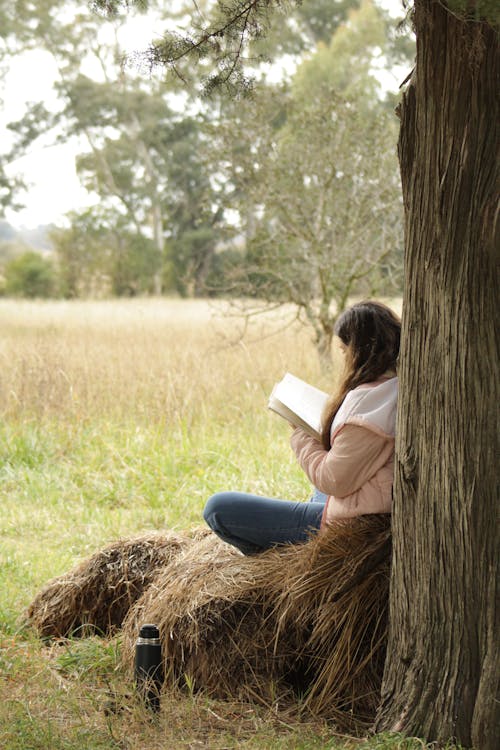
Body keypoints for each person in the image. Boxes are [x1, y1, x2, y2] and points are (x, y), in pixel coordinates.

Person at [203, 300, 400, 555]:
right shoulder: (389, 388)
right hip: (363, 500)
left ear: (360, 350)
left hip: (352, 521)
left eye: (344, 350)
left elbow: (332, 481)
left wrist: (300, 433)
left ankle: (283, 558)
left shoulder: (370, 410)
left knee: (218, 508)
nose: (344, 358)